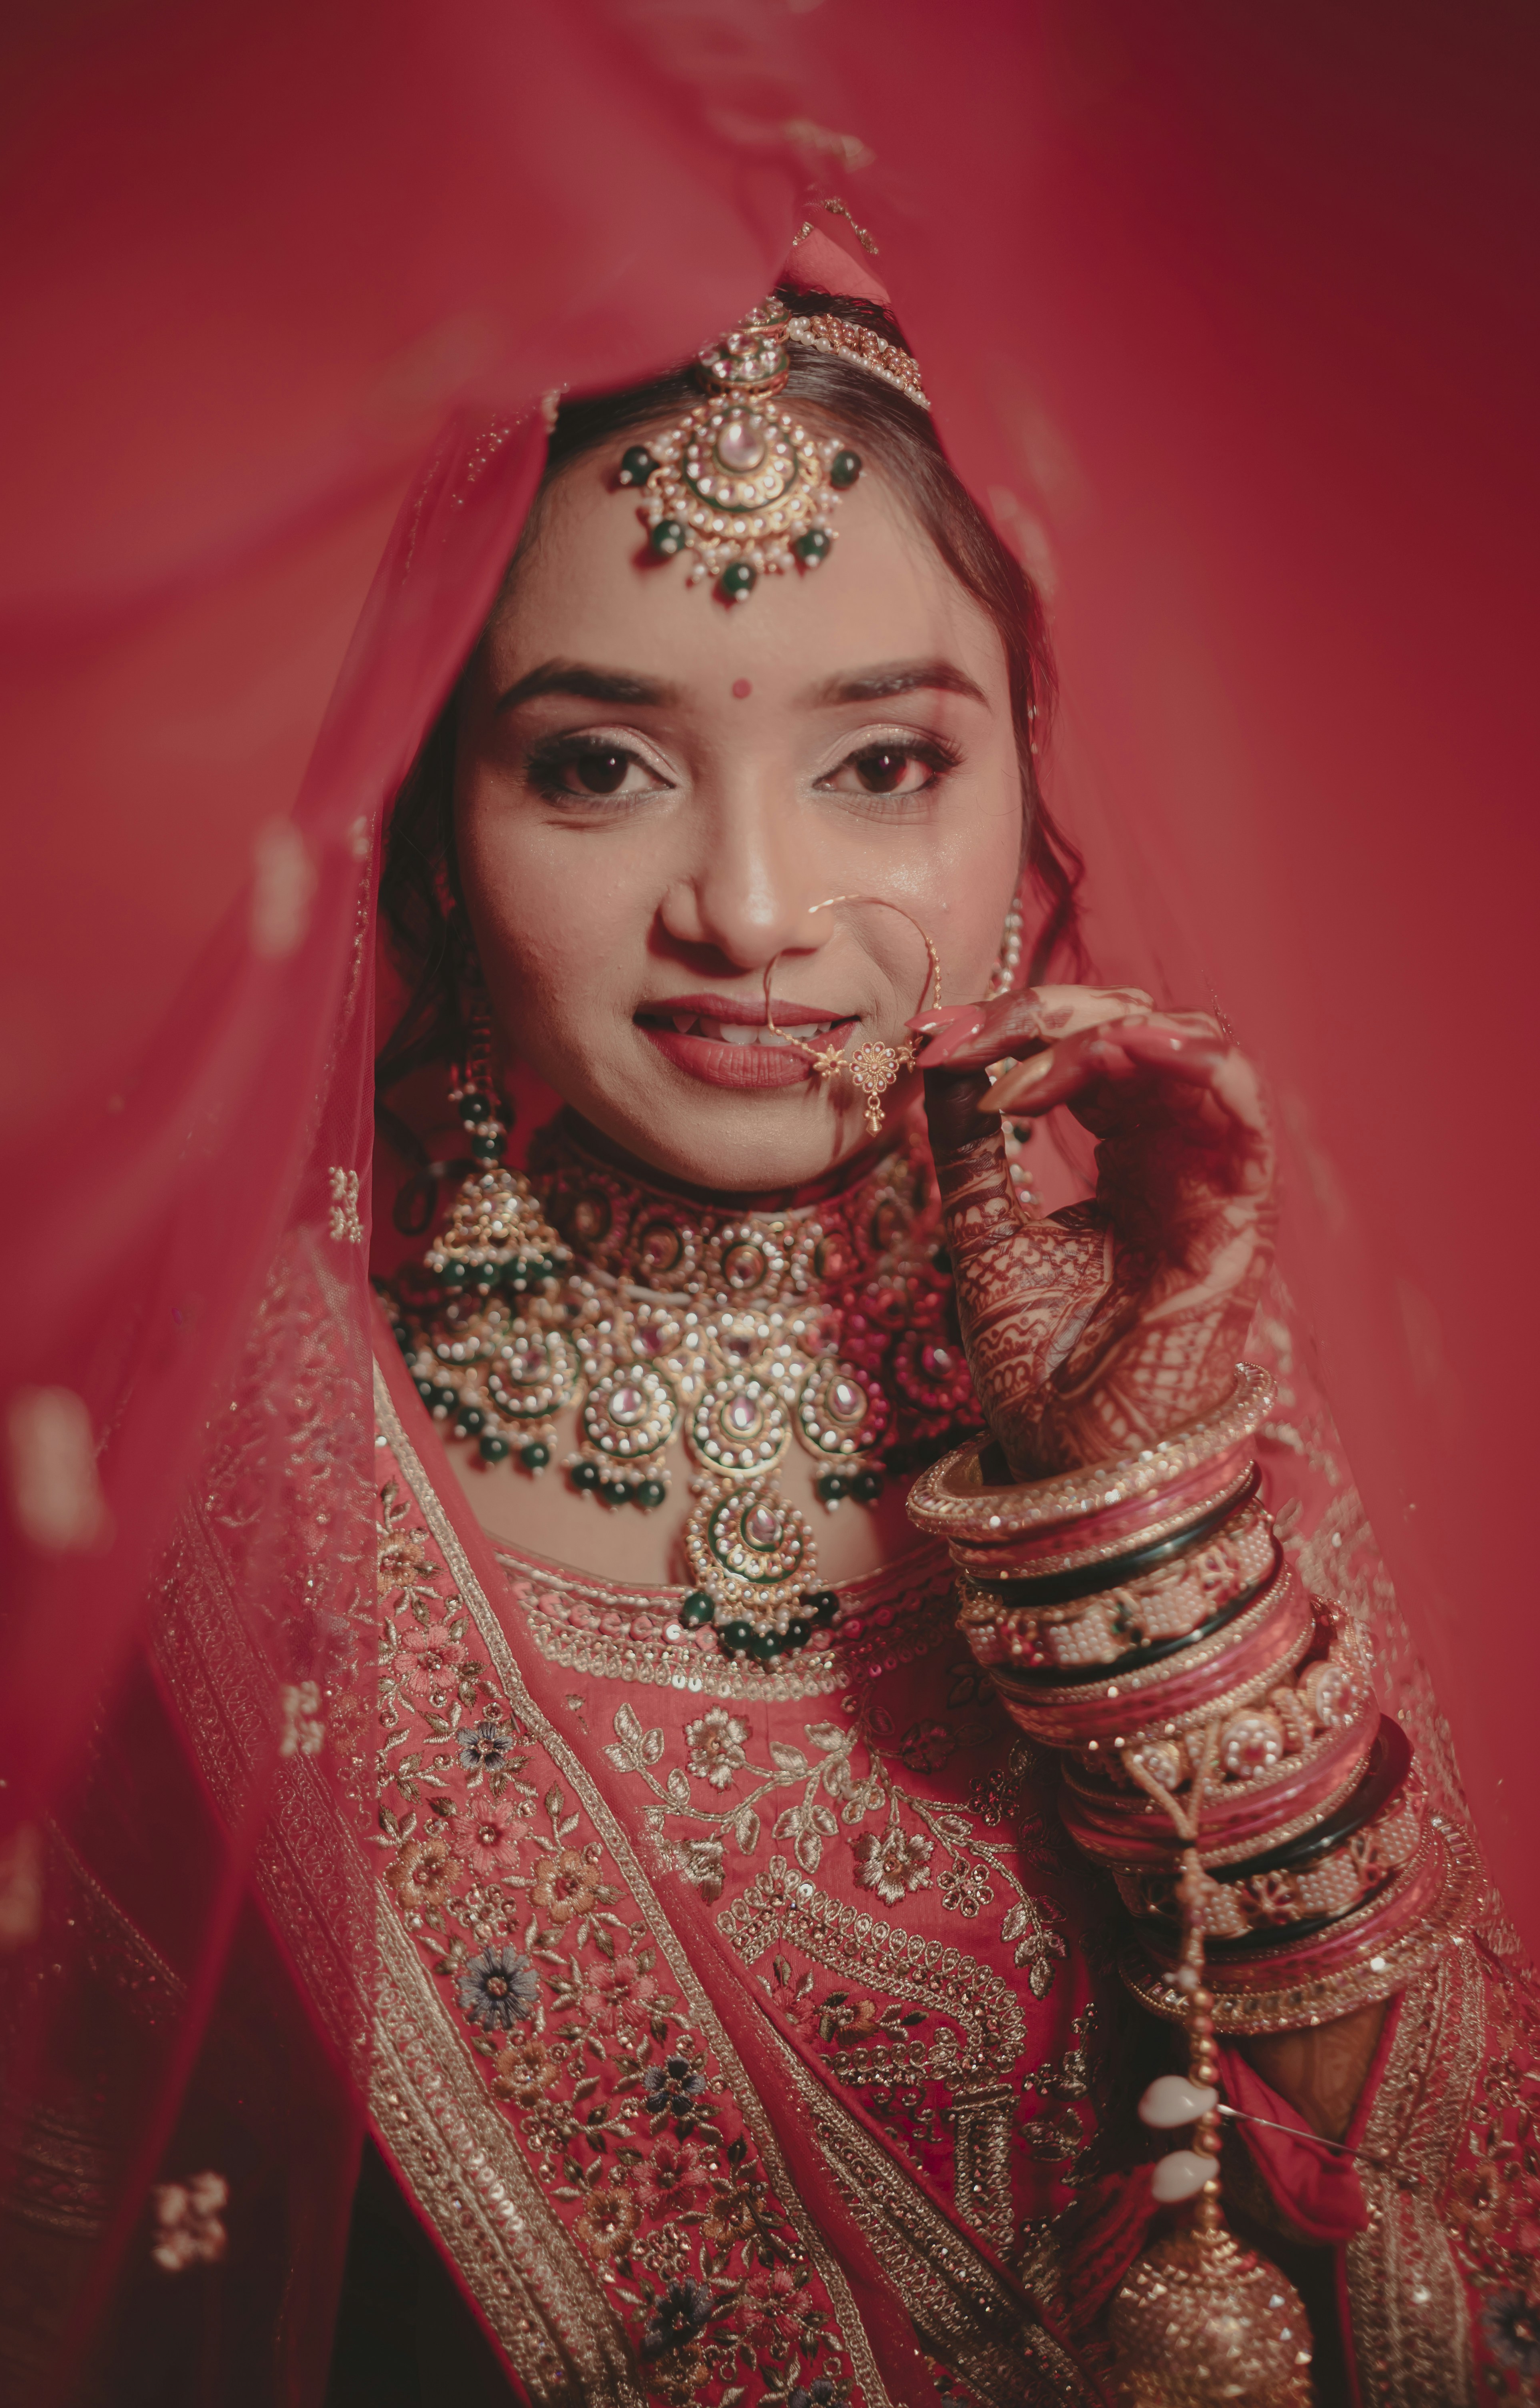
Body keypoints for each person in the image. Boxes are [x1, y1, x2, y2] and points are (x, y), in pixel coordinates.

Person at [317, 223, 1530, 2406]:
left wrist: (1137, 1540)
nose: (752, 911)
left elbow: (1465, 2247)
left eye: (883, 764)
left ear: (1025, 791)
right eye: (597, 763)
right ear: (436, 825)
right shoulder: (262, 1519)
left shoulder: (1172, 1388)